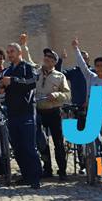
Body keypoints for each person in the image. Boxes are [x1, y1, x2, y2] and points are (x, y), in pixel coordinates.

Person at [71, 39, 102, 182]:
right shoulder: (90, 77)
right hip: (93, 118)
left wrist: (98, 103)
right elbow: (82, 65)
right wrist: (76, 49)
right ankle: (94, 172)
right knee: (93, 147)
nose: (99, 68)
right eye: (97, 66)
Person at [0, 42, 41, 189]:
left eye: (12, 51)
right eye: (8, 52)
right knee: (17, 148)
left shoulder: (28, 67)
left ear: (19, 52)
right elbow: (2, 86)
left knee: (29, 147)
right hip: (12, 113)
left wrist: (13, 81)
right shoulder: (7, 70)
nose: (9, 54)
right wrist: (2, 87)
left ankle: (35, 178)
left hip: (27, 112)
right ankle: (26, 176)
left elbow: (32, 82)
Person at [35, 48, 71, 179]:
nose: (47, 58)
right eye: (46, 56)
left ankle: (62, 171)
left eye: (50, 57)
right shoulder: (36, 73)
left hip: (54, 112)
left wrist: (56, 95)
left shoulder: (60, 76)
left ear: (55, 62)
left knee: (58, 142)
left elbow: (67, 94)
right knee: (42, 142)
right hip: (39, 112)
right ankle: (47, 169)